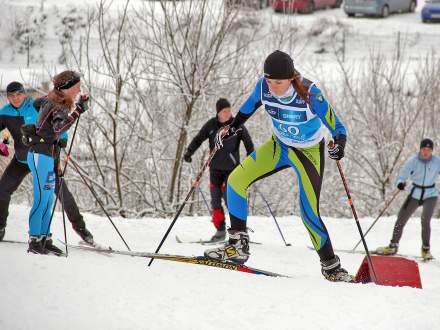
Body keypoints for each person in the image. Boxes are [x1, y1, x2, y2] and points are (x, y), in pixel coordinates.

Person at [204, 50, 353, 282]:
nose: (273, 87)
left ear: (291, 78)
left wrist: (339, 145)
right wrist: (231, 128)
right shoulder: (263, 87)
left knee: (308, 212)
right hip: (279, 146)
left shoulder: (310, 94)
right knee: (235, 181)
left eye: (279, 82)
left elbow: (338, 128)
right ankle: (237, 246)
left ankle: (332, 267)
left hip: (308, 153)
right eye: (270, 81)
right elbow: (247, 109)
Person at [0, 81, 93, 245]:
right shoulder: (5, 113)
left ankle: (82, 229)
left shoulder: (36, 107)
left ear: (24, 94)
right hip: (22, 159)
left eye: (19, 94)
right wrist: (3, 143)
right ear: (8, 97)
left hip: (43, 156)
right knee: (2, 190)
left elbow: (56, 123)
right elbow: (4, 133)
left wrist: (62, 140)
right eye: (11, 96)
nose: (16, 98)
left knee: (62, 194)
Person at [25, 71, 89, 255]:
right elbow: (59, 127)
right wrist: (78, 110)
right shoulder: (59, 104)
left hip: (47, 156)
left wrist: (43, 127)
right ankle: (34, 241)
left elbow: (38, 103)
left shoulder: (54, 100)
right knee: (41, 200)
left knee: (48, 200)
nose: (78, 89)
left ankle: (44, 239)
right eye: (76, 86)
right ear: (67, 88)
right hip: (40, 156)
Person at [183, 98, 254, 242]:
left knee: (230, 200)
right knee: (215, 201)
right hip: (215, 170)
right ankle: (220, 231)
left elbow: (249, 144)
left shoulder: (237, 125)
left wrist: (251, 160)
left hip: (232, 171)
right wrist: (189, 152)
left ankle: (240, 231)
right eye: (224, 111)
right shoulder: (211, 125)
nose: (228, 113)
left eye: (229, 110)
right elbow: (198, 139)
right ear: (218, 112)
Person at [376, 138, 440, 260]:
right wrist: (400, 183)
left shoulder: (437, 162)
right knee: (401, 218)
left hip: (430, 194)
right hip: (415, 193)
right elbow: (402, 176)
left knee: (425, 220)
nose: (426, 152)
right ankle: (393, 245)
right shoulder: (413, 161)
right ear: (420, 149)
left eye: (428, 150)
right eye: (424, 149)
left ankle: (425, 249)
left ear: (431, 151)